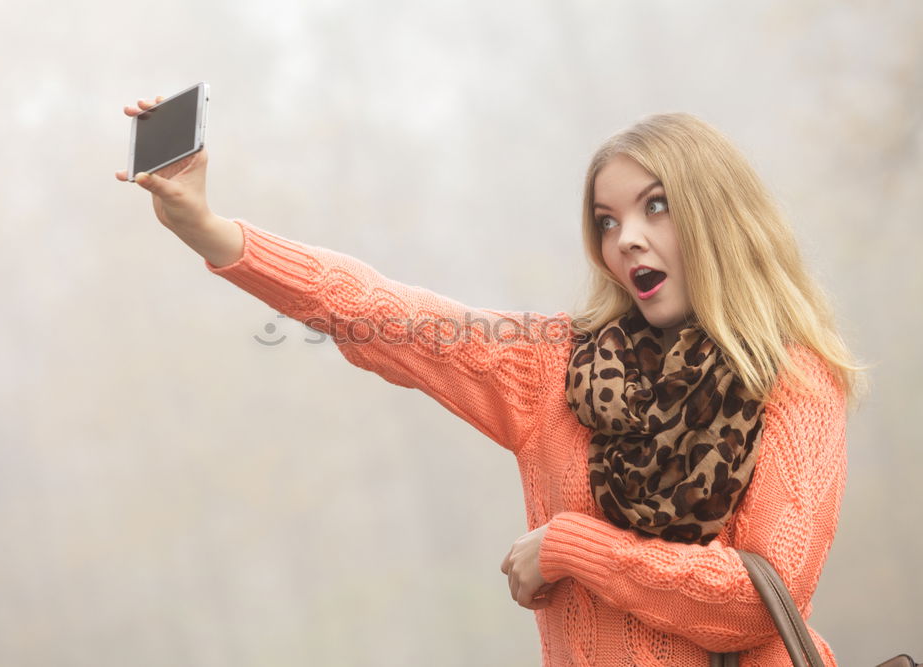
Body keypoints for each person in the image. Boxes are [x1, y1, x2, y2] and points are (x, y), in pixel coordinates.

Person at [116, 98, 869, 666]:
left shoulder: (794, 381)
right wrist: (209, 231)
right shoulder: (553, 366)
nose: (627, 237)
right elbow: (383, 311)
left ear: (717, 215)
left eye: (656, 206)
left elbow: (755, 604)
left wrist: (575, 547)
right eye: (606, 220)